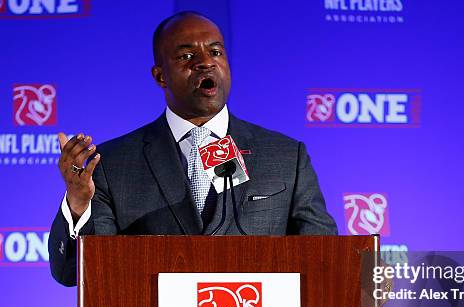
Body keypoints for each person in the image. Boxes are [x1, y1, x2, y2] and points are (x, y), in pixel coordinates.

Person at [49, 11, 337, 287]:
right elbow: (72, 273)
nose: (205, 63)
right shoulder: (113, 164)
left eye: (215, 52)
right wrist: (78, 203)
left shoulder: (286, 156)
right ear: (160, 76)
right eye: (187, 56)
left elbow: (325, 260)